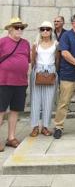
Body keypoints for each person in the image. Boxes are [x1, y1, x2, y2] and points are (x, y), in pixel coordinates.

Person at [0, 17, 31, 150]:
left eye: (21, 28)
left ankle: (11, 138)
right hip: (3, 82)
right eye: (16, 27)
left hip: (20, 82)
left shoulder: (25, 43)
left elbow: (28, 60)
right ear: (10, 29)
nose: (19, 30)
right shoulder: (2, 42)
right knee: (0, 111)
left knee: (15, 111)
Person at [29, 21, 58, 138]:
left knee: (48, 100)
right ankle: (35, 126)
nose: (45, 31)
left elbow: (57, 59)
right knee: (35, 100)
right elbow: (33, 60)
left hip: (51, 72)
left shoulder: (56, 44)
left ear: (51, 31)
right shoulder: (36, 44)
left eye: (48, 29)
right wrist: (34, 72)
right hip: (38, 72)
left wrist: (55, 72)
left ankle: (45, 126)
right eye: (43, 29)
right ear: (40, 31)